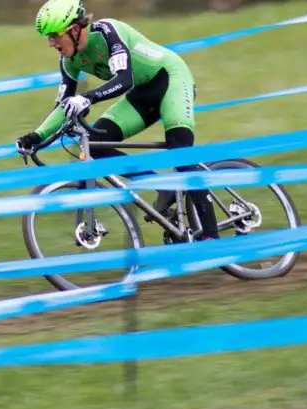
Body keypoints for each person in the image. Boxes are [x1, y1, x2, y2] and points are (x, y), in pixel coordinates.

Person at [14, 0, 220, 241]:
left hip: (171, 79)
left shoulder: (107, 32)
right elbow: (64, 105)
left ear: (74, 28)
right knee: (95, 144)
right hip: (142, 95)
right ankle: (163, 185)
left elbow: (124, 80)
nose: (51, 43)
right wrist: (35, 136)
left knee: (179, 153)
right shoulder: (69, 61)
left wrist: (88, 98)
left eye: (54, 35)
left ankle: (211, 236)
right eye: (47, 38)